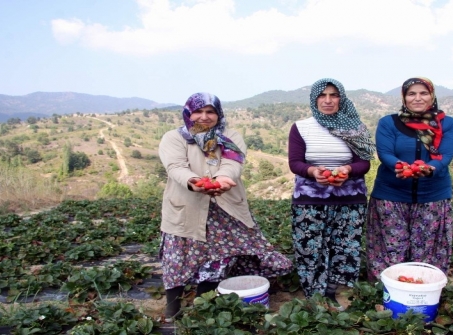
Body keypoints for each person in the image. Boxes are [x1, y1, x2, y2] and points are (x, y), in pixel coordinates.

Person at [158, 92, 293, 319]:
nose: (204, 116)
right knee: (178, 258)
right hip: (185, 208)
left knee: (217, 258)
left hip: (226, 208)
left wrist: (222, 180)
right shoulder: (174, 138)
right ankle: (173, 306)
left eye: (210, 111)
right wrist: (195, 182)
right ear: (188, 113)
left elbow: (233, 164)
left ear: (218, 114)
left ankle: (204, 304)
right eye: (198, 111)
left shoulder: (230, 136)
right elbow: (175, 167)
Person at [288, 78, 375, 308]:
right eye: (322, 95)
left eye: (334, 95)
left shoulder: (355, 127)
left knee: (343, 245)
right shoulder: (301, 127)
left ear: (341, 98)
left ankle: (331, 292)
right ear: (314, 99)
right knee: (310, 246)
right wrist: (313, 171)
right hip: (310, 199)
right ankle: (314, 296)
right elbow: (295, 163)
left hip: (349, 198)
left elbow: (364, 163)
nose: (328, 100)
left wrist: (347, 170)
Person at [366, 77, 453, 281]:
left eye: (423, 93)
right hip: (391, 195)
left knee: (427, 252)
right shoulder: (388, 122)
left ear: (432, 96)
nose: (418, 98)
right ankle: (386, 294)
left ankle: (422, 294)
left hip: (433, 195)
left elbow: (445, 155)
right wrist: (401, 167)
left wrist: (429, 168)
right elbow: (385, 153)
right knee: (390, 249)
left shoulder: (447, 124)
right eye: (412, 94)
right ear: (404, 97)